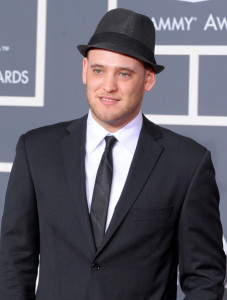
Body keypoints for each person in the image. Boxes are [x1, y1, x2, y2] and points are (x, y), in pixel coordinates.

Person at [0, 8, 225, 300]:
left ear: (148, 80)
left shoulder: (187, 163)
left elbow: (205, 277)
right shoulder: (36, 150)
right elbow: (14, 261)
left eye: (124, 73)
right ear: (84, 70)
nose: (108, 85)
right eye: (98, 70)